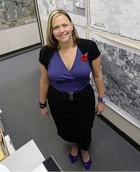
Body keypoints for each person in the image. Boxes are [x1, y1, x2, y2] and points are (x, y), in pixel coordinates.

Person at [39, 9, 106, 170]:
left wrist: (101, 99)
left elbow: (98, 76)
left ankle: (84, 149)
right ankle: (75, 144)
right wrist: (42, 104)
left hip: (83, 98)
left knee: (85, 128)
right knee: (67, 128)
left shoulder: (88, 47)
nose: (61, 30)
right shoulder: (46, 52)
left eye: (64, 25)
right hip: (58, 100)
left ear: (72, 25)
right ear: (51, 31)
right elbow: (44, 81)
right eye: (56, 27)